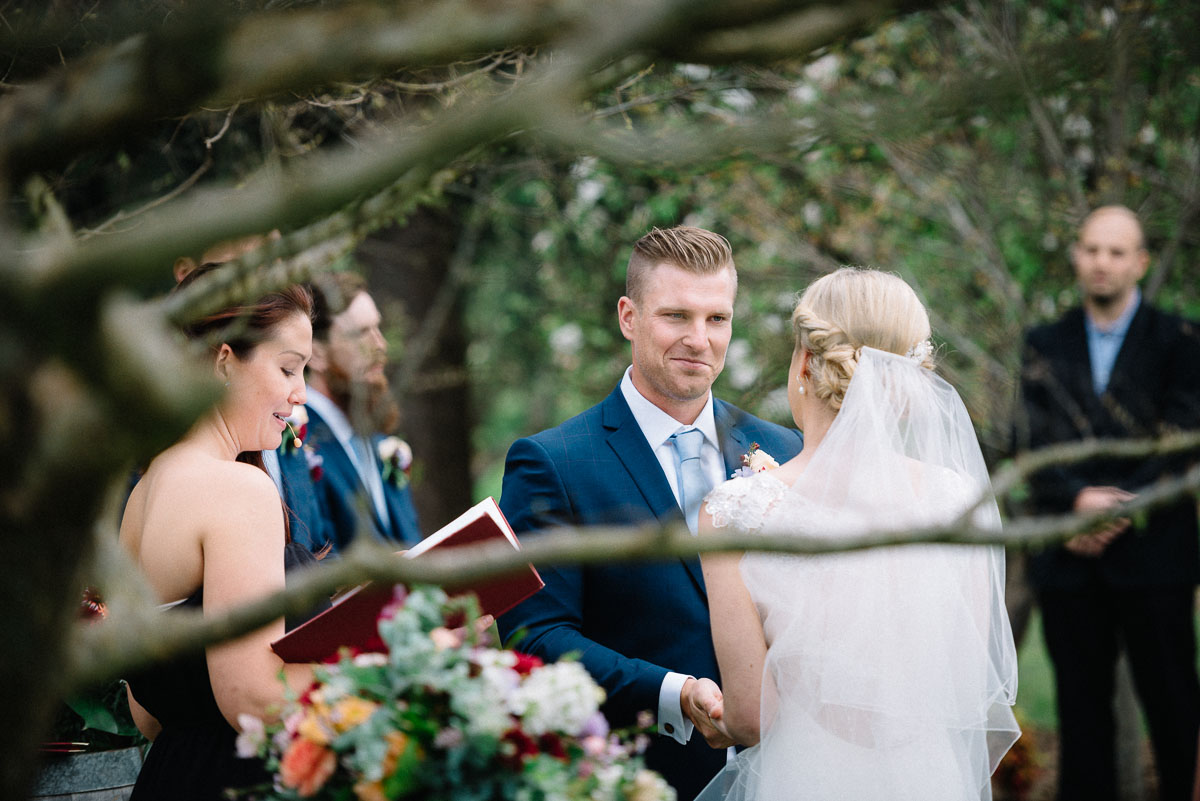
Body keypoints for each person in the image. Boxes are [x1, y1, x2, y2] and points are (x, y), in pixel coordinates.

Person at [496, 226, 804, 800]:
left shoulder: (784, 450)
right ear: (628, 317)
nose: (699, 339)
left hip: (788, 774)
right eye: (676, 316)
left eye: (717, 319)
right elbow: (534, 636)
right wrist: (674, 693)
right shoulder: (554, 463)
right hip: (639, 778)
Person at [696, 268, 1019, 800]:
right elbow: (964, 684)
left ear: (804, 362)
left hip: (808, 777)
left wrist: (707, 707)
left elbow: (753, 717)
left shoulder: (737, 511)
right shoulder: (959, 500)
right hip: (928, 774)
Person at [120, 264, 327, 800]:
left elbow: (147, 713)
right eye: (288, 369)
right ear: (224, 362)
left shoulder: (143, 495)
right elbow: (254, 699)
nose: (301, 393)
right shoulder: (237, 490)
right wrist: (392, 661)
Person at [1018, 205, 1200, 801]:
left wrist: (1118, 506)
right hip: (1071, 561)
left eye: (1116, 252)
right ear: (1076, 255)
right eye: (1092, 249)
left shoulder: (1180, 340)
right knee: (1081, 720)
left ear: (1140, 262)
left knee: (1175, 712)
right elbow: (1030, 442)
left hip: (1154, 557)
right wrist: (1076, 500)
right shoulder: (1043, 343)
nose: (1102, 262)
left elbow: (1180, 438)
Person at [301, 272, 422, 552]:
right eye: (360, 334)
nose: (380, 345)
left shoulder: (381, 445)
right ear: (316, 352)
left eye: (377, 329)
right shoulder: (297, 447)